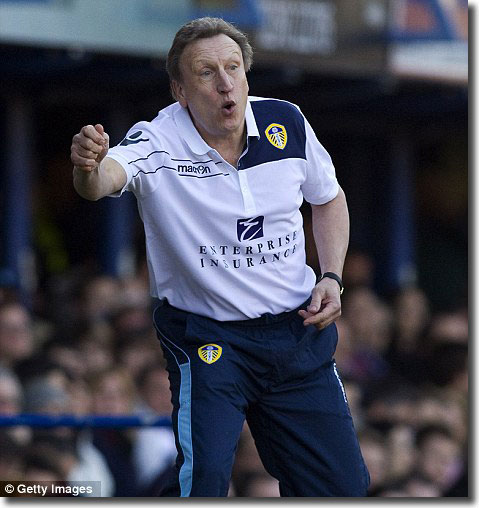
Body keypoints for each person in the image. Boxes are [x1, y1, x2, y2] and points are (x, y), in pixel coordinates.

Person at [70, 17, 369, 497]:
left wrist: (331, 275)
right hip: (209, 337)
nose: (226, 83)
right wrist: (87, 166)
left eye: (234, 68)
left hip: (297, 331)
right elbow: (103, 180)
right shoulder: (157, 139)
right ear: (180, 91)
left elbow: (328, 198)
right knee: (204, 482)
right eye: (207, 73)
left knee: (344, 489)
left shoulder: (286, 121)